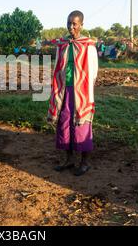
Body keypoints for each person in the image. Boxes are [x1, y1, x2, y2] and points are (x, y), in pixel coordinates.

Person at [47, 10, 98, 176]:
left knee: (82, 125)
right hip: (63, 90)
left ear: (81, 25)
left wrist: (86, 89)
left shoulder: (87, 45)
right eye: (69, 23)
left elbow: (93, 71)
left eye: (74, 24)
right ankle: (69, 160)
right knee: (64, 124)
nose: (71, 27)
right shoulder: (62, 44)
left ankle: (85, 162)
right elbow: (57, 66)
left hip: (81, 92)